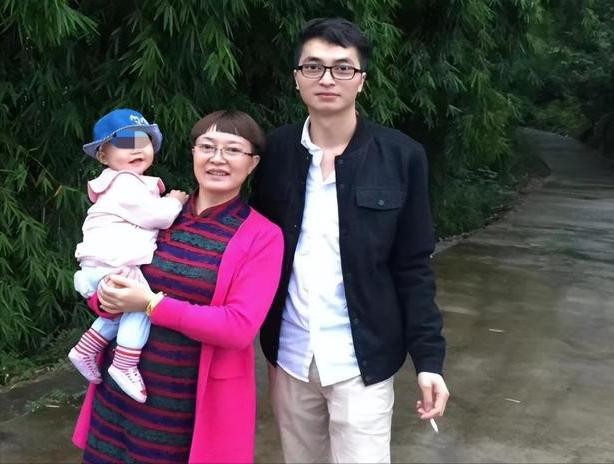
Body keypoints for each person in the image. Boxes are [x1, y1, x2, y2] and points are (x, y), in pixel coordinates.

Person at [250, 18, 450, 463]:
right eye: (313, 67)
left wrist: (429, 360)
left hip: (364, 360)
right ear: (296, 78)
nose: (327, 79)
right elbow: (248, 240)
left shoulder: (401, 156)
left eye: (342, 68)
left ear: (361, 80)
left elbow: (413, 265)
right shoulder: (275, 151)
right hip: (290, 354)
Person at [71, 110, 284, 463]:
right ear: (194, 153)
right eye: (207, 146)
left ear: (253, 163)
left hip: (186, 411)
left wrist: (151, 304)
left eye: (233, 150)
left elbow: (238, 328)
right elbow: (107, 274)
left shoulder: (261, 236)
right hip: (118, 402)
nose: (217, 158)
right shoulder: (158, 213)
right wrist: (104, 298)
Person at [69, 108, 189, 404]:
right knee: (141, 306)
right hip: (114, 264)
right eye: (124, 143)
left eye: (144, 142)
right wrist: (175, 201)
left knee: (120, 310)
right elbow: (158, 217)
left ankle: (85, 349)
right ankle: (125, 363)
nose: (137, 149)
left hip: (102, 266)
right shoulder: (124, 182)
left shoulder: (121, 183)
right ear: (103, 156)